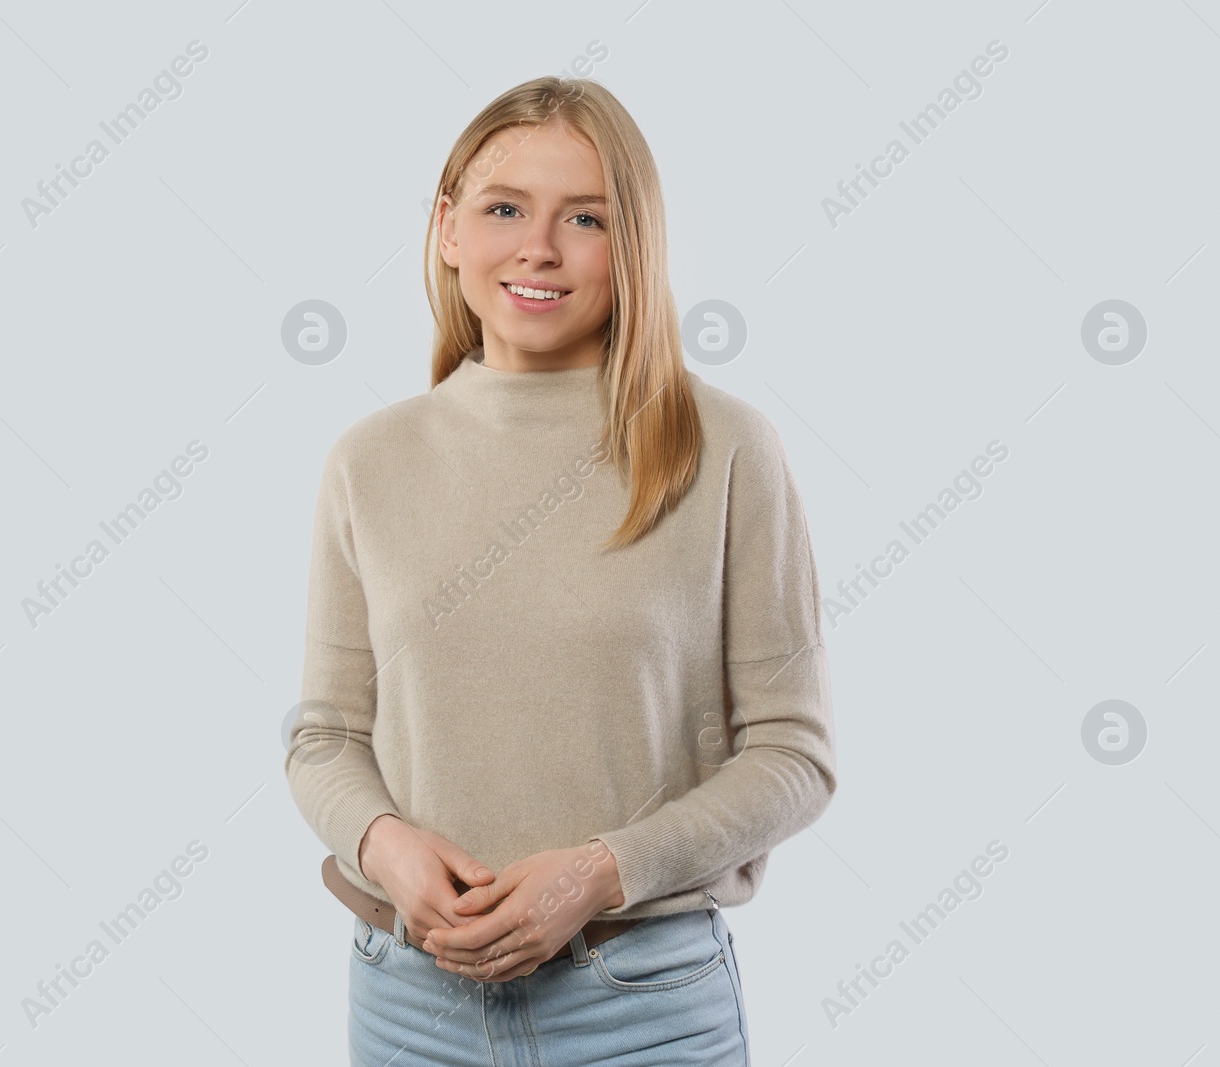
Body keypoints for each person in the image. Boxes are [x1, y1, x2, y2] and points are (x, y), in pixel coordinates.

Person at [285, 74, 837, 1066]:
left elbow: (793, 754)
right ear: (449, 228)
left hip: (642, 1006)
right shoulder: (369, 460)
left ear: (635, 247)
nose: (538, 247)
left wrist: (600, 870)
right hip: (410, 1003)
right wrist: (383, 843)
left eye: (584, 216)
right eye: (505, 208)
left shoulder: (725, 450)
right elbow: (323, 735)